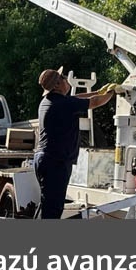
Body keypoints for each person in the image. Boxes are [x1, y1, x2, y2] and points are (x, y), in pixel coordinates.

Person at [34, 68, 116, 219]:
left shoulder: (48, 101)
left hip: (45, 159)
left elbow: (76, 97)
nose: (67, 80)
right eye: (63, 77)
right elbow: (95, 102)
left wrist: (98, 91)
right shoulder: (64, 104)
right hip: (56, 162)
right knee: (53, 210)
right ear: (57, 85)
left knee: (48, 204)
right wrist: (112, 92)